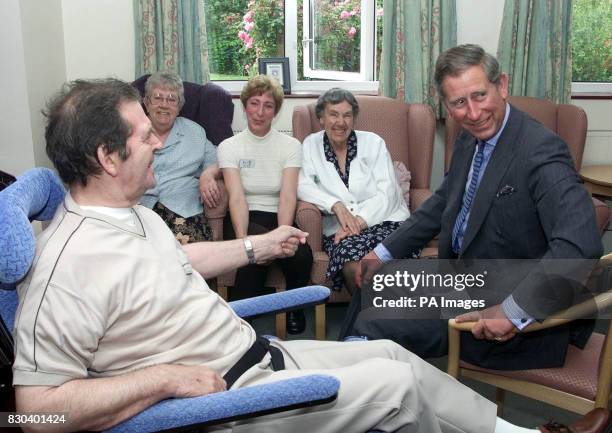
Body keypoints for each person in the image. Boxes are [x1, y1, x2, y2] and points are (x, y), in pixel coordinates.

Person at [12, 77, 610, 433]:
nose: (159, 142)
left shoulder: (133, 215)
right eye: (145, 136)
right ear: (108, 157)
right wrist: (163, 379)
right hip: (234, 398)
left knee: (384, 349)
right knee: (395, 383)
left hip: (261, 350)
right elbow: (32, 414)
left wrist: (256, 245)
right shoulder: (68, 266)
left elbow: (171, 266)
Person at [352, 44, 603, 370]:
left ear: (502, 85)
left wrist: (513, 310)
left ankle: (346, 397)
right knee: (370, 285)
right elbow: (443, 201)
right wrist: (382, 252)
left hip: (510, 316)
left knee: (373, 326)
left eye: (480, 95)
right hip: (461, 283)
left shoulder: (540, 149)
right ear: (446, 104)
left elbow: (580, 244)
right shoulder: (471, 137)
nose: (472, 113)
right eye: (459, 102)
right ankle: (342, 385)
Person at [297, 88, 411, 338]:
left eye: (347, 115)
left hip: (385, 220)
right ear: (321, 118)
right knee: (350, 260)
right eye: (333, 114)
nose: (340, 122)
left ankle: (370, 331)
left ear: (354, 118)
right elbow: (302, 185)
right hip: (339, 230)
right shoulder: (310, 145)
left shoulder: (374, 142)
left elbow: (388, 192)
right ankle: (378, 331)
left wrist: (359, 220)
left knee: (380, 259)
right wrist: (335, 205)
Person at [218, 75, 312, 334]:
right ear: (245, 105)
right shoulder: (229, 146)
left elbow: (287, 196)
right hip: (244, 217)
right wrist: (244, 242)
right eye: (254, 103)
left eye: (268, 106)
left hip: (278, 215)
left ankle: (294, 306)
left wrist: (283, 234)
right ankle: (244, 322)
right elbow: (236, 198)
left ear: (276, 111)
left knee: (302, 254)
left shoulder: (291, 145)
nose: (260, 112)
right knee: (252, 257)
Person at [139, 72, 223, 244]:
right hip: (140, 208)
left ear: (179, 106)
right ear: (146, 103)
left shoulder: (195, 132)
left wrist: (208, 175)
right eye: (157, 98)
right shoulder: (131, 131)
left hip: (183, 210)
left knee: (189, 256)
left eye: (171, 99)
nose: (164, 105)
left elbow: (219, 160)